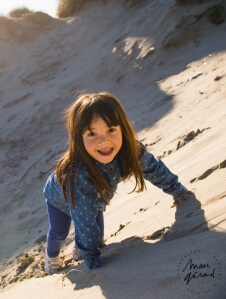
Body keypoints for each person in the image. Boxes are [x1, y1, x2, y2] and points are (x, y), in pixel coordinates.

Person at [43, 92, 193, 273]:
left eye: (111, 130)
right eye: (91, 133)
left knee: (97, 236)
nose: (103, 140)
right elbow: (84, 220)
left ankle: (79, 249)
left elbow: (153, 169)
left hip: (94, 197)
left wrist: (177, 190)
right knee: (60, 231)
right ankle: (51, 258)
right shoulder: (79, 174)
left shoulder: (129, 151)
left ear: (123, 128)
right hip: (59, 198)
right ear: (78, 138)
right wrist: (92, 257)